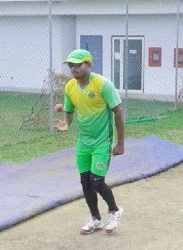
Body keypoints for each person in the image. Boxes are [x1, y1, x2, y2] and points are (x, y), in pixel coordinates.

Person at [54, 49, 125, 235]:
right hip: (83, 143)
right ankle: (96, 219)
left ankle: (114, 211)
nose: (73, 68)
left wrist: (120, 143)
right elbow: (68, 111)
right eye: (70, 65)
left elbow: (118, 111)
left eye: (77, 64)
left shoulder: (103, 85)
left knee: (97, 182)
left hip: (102, 141)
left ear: (88, 64)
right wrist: (65, 122)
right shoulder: (70, 87)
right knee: (85, 183)